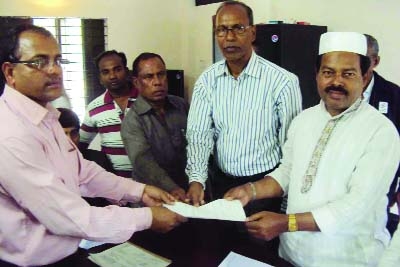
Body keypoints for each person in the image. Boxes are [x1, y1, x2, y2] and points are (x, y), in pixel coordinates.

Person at [0, 24, 186, 267]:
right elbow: (68, 216)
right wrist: (146, 217)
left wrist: (139, 191)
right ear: (10, 72)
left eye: (58, 60)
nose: (54, 70)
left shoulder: (47, 116)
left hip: (68, 251)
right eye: (39, 62)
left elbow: (83, 172)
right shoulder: (10, 133)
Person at [225, 32, 400, 267]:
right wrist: (251, 190)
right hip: (292, 253)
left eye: (348, 74)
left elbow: (356, 206)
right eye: (328, 72)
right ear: (317, 75)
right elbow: (287, 172)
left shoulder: (381, 131)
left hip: (348, 258)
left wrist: (285, 223)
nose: (336, 82)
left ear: (365, 76)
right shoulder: (303, 120)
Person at [185, 0, 302, 211]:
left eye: (238, 28)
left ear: (253, 32)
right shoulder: (207, 81)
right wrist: (196, 180)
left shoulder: (283, 82)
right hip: (222, 184)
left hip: (264, 188)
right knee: (223, 241)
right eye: (221, 30)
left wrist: (285, 204)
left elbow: (291, 148)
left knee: (259, 243)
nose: (229, 37)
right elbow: (199, 135)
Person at [121, 52, 189, 201]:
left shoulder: (181, 105)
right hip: (156, 197)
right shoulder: (132, 121)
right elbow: (144, 163)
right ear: (137, 82)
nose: (157, 82)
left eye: (161, 74)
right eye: (149, 77)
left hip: (189, 190)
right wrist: (172, 188)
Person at [79, 50, 138, 178]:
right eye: (105, 72)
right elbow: (79, 145)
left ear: (127, 71)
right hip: (115, 190)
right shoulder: (94, 108)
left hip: (151, 186)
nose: (112, 76)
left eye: (117, 69)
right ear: (100, 78)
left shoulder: (146, 100)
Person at [363, 34, 400, 235]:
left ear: (375, 61)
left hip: (380, 184)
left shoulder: (394, 95)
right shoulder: (334, 92)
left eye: (364, 59)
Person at [58, 107, 113, 173]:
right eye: (62, 134)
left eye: (74, 133)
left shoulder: (97, 160)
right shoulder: (46, 167)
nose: (70, 140)